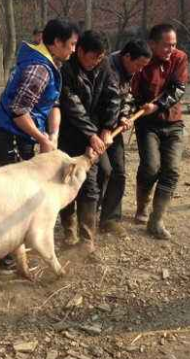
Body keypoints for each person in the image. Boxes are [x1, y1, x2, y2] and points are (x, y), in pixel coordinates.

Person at [0, 19, 79, 273]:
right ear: (57, 42)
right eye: (71, 44)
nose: (73, 49)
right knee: (17, 200)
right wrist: (42, 139)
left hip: (25, 137)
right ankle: (7, 258)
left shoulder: (51, 64)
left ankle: (18, 251)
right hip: (11, 139)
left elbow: (52, 105)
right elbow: (18, 110)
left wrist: (53, 134)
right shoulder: (38, 69)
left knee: (25, 198)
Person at [57, 30, 121, 254]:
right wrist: (92, 135)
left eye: (100, 57)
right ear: (81, 51)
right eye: (93, 57)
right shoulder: (66, 70)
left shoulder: (104, 67)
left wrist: (107, 127)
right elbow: (73, 108)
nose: (96, 62)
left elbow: (113, 97)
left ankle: (87, 238)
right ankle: (69, 230)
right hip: (69, 135)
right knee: (66, 180)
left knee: (92, 183)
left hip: (94, 135)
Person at [131, 24, 189, 240]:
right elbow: (132, 91)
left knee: (171, 170)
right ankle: (142, 206)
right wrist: (138, 108)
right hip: (147, 124)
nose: (171, 49)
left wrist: (158, 105)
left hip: (173, 122)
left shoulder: (180, 58)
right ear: (152, 44)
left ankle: (156, 221)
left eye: (173, 44)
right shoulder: (142, 62)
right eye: (166, 45)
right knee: (151, 166)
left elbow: (178, 89)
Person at [98, 39, 152, 237]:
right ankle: (85, 218)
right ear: (127, 57)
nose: (139, 70)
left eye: (143, 67)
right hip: (96, 129)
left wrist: (124, 115)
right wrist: (106, 126)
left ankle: (110, 220)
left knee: (119, 172)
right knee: (102, 171)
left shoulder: (128, 71)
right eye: (138, 65)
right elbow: (105, 101)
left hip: (114, 129)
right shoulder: (105, 67)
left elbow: (127, 98)